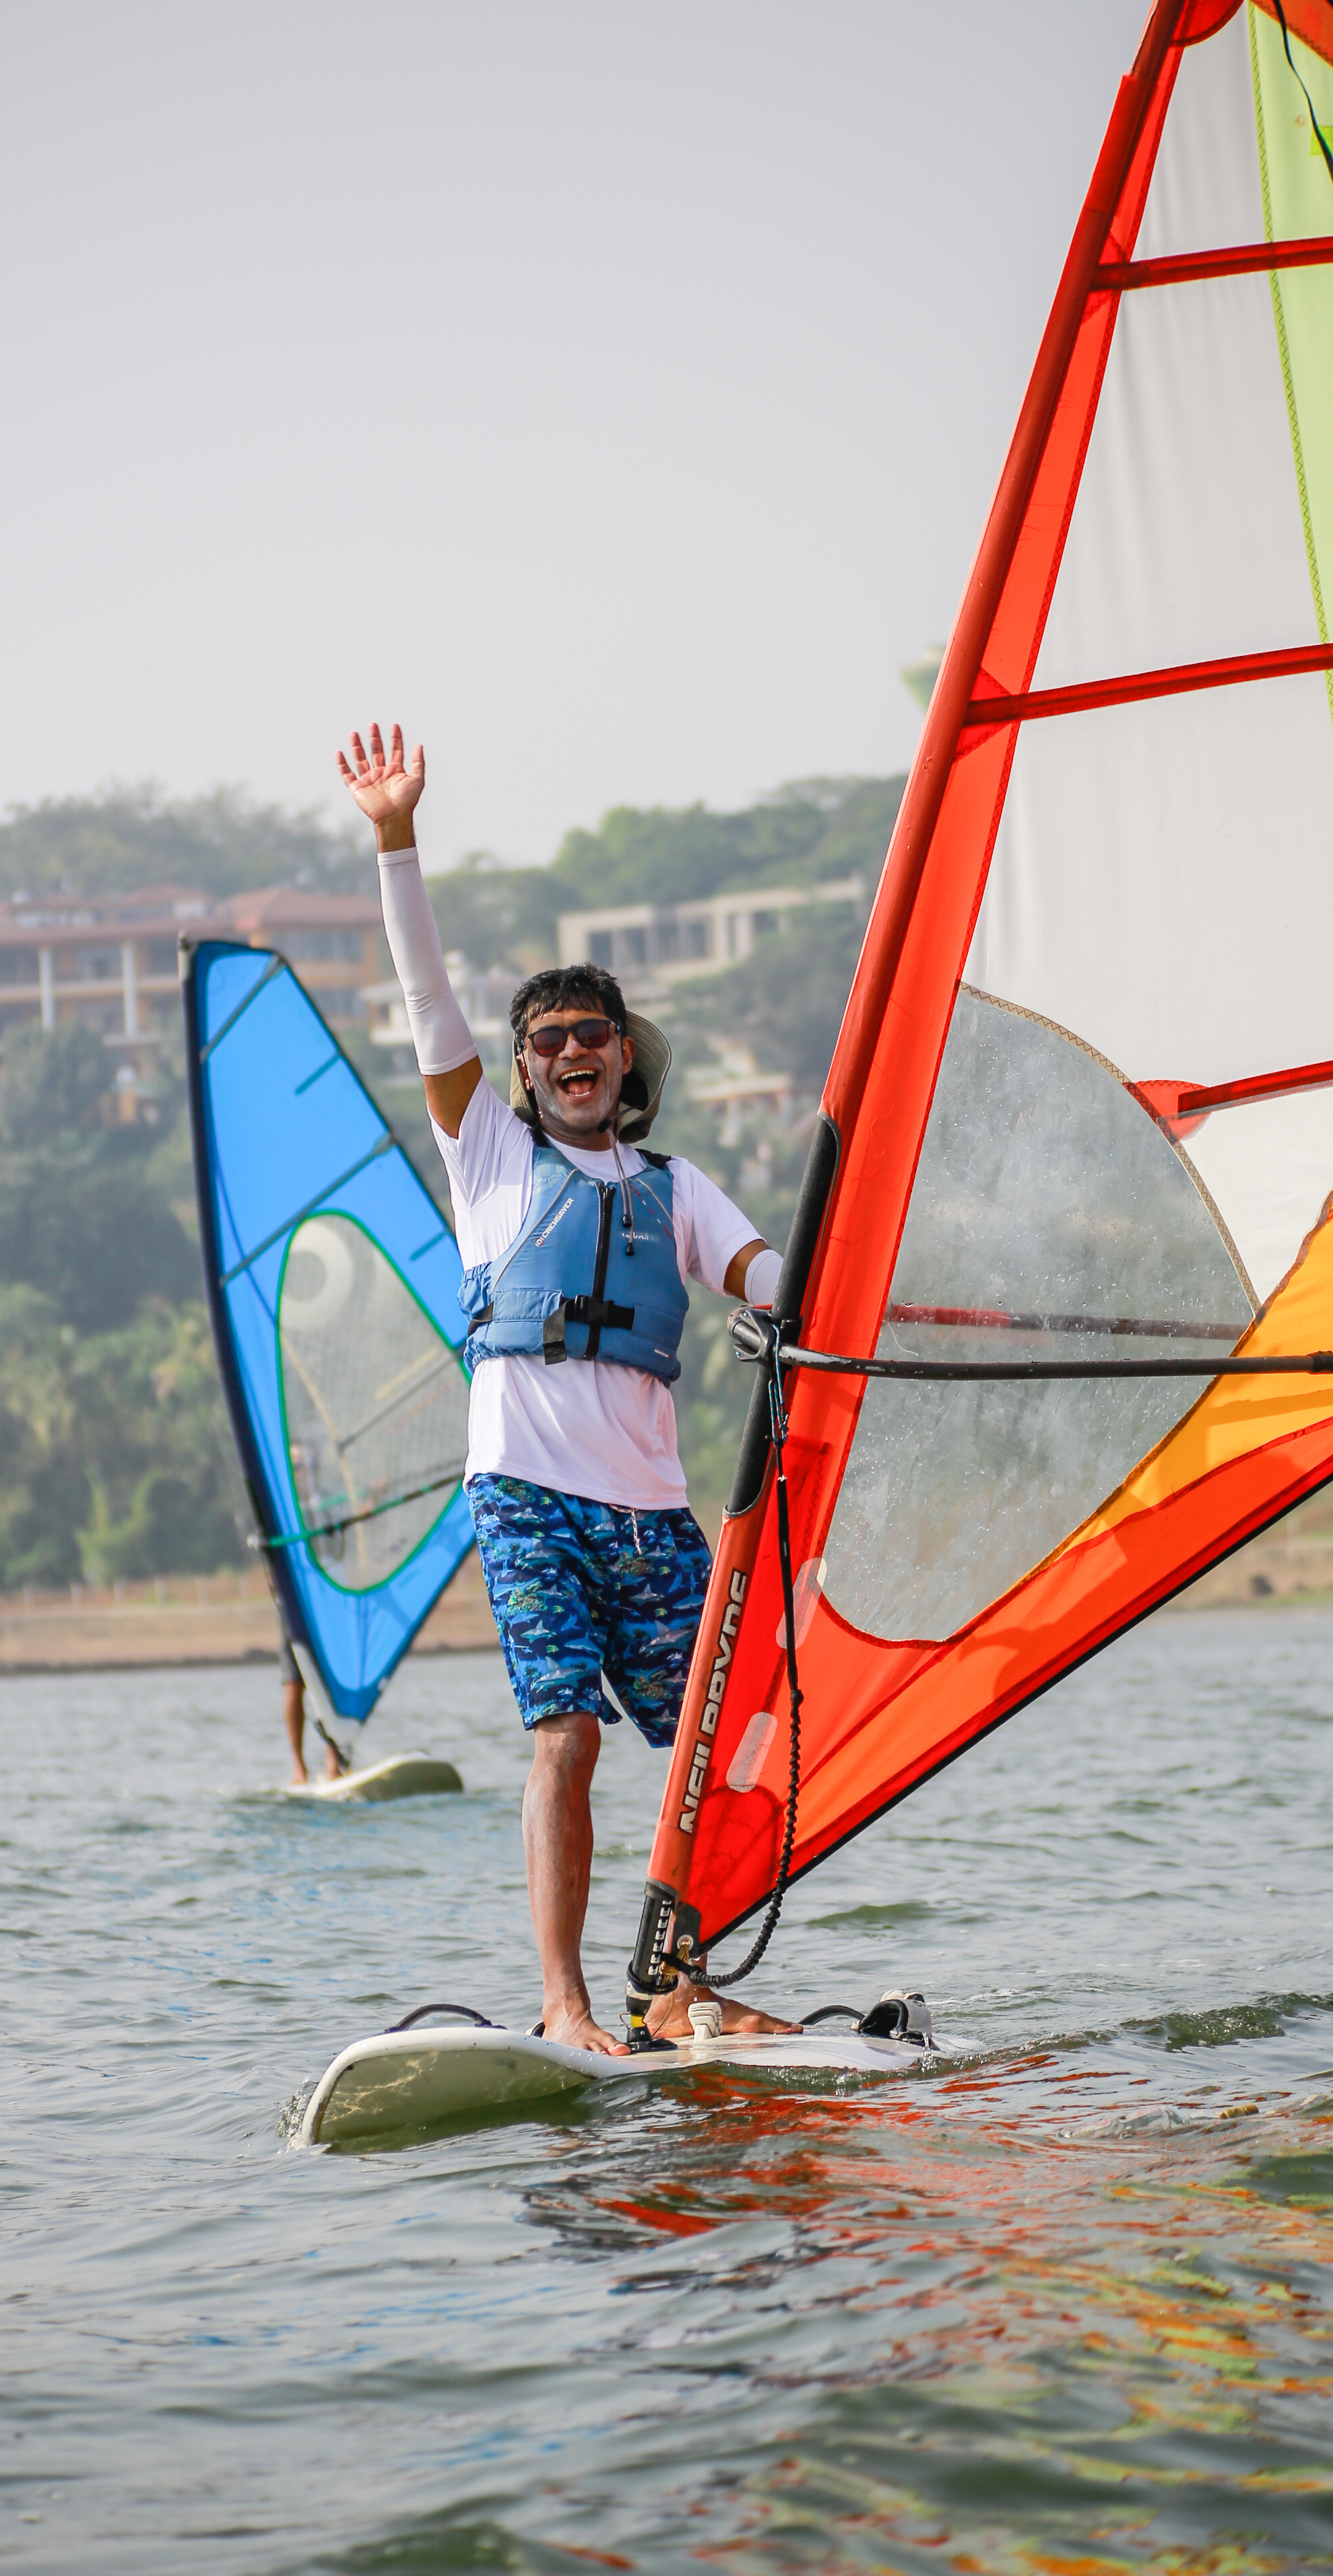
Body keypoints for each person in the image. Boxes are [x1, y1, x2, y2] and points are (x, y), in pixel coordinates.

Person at [338, 720, 798, 2054]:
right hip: (528, 1495)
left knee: (729, 1742)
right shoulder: (486, 1154)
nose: (570, 1051)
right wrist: (395, 839)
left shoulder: (676, 1190)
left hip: (649, 1516)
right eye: (545, 1041)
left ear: (624, 1058)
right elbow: (427, 998)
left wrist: (839, 1288)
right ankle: (564, 1997)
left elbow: (772, 1277)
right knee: (567, 1740)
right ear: (524, 1069)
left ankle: (680, 1986)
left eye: (592, 1034)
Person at [280, 1610, 346, 1787]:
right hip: (293, 1606)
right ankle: (299, 1769)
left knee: (333, 1681)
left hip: (329, 1608)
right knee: (294, 1684)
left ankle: (334, 1763)